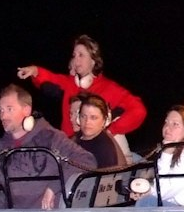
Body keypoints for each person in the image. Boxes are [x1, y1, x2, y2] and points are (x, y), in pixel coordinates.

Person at [0, 83, 96, 210]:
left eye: (9, 109)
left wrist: (55, 187)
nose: (3, 116)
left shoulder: (50, 137)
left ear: (26, 110)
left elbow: (86, 160)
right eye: (1, 110)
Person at [17, 34, 147, 144]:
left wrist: (111, 130)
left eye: (81, 55)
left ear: (93, 61)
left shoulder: (110, 88)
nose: (76, 59)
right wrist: (34, 70)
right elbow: (48, 78)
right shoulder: (68, 83)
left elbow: (138, 110)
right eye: (74, 55)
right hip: (70, 148)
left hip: (97, 151)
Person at [74, 93, 124, 169]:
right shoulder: (74, 138)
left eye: (93, 118)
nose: (87, 122)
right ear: (78, 118)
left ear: (105, 120)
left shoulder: (105, 150)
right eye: (83, 116)